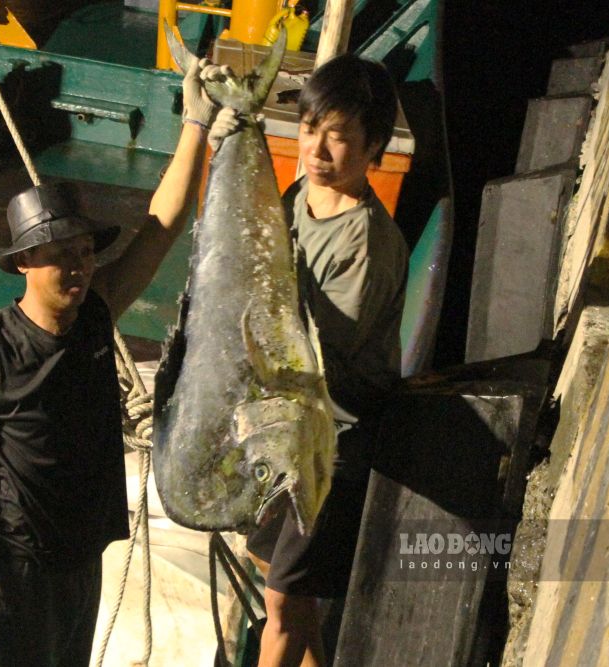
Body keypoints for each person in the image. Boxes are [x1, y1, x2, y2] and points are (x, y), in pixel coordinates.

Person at [0, 56, 225, 667]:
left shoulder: (97, 310)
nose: (77, 267)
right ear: (24, 263)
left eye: (83, 251)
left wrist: (196, 124)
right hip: (18, 568)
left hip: (84, 559)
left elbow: (161, 226)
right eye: (60, 255)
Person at [213, 54, 408, 666]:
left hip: (332, 443)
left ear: (373, 146)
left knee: (281, 601)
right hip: (287, 427)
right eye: (309, 129)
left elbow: (318, 357)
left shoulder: (367, 243)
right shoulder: (299, 196)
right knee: (275, 573)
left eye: (340, 136)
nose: (318, 150)